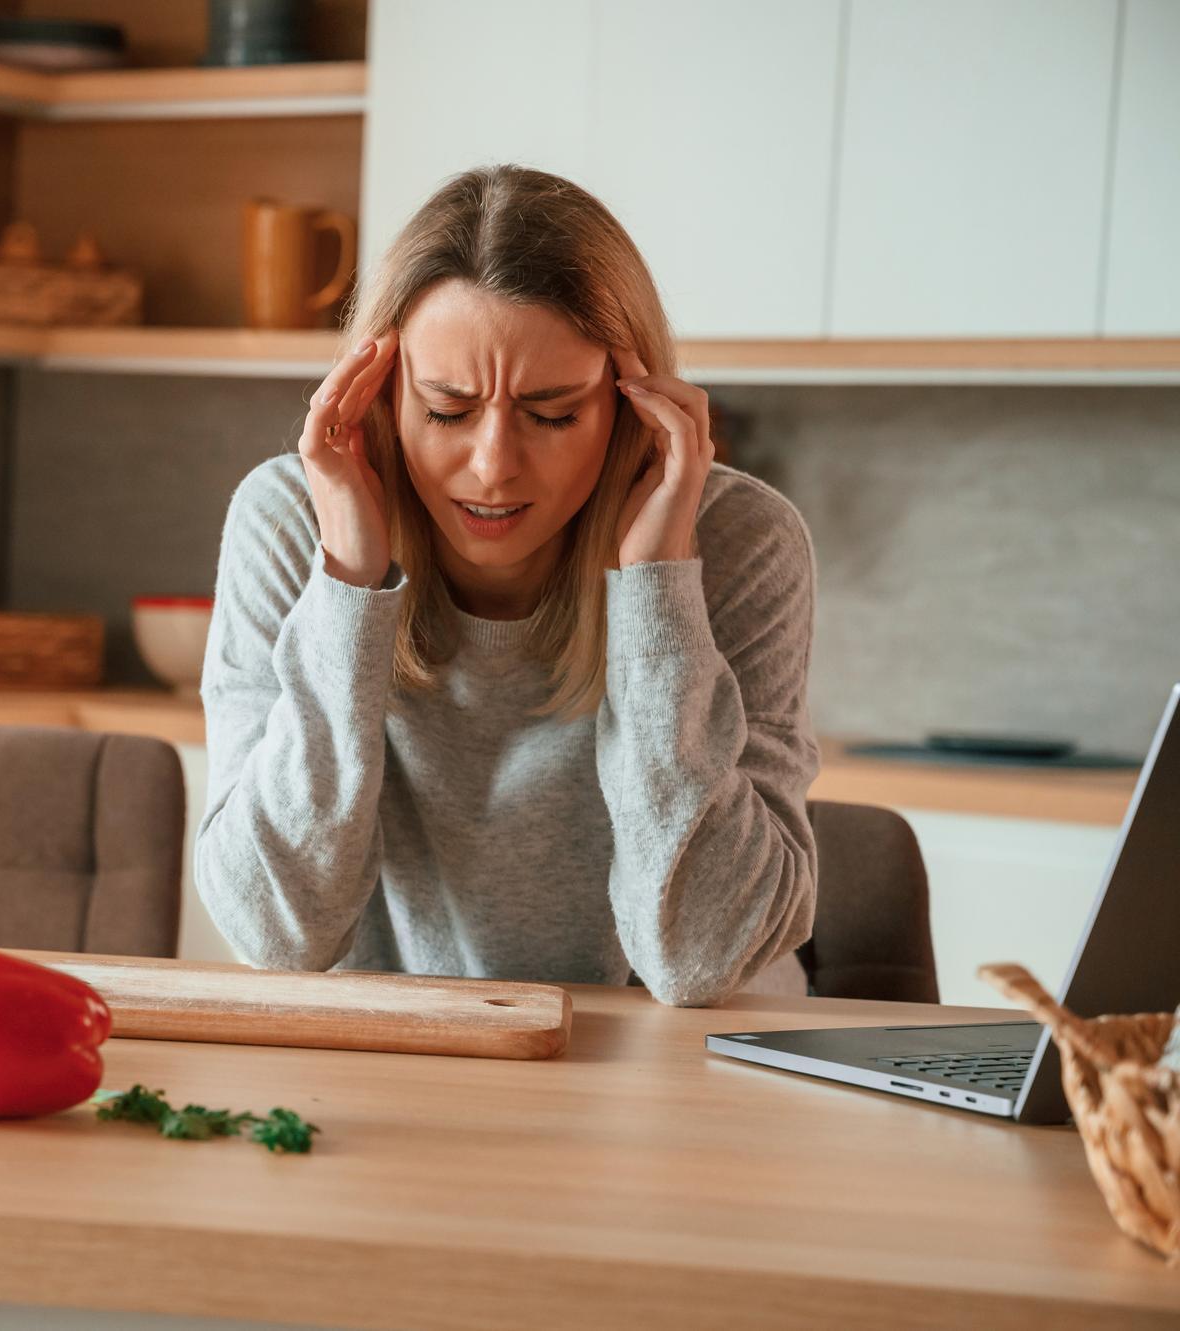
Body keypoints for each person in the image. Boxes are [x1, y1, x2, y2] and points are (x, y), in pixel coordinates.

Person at [195, 165, 818, 1007]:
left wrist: (659, 588)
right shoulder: (292, 523)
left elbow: (700, 958)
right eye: (447, 410)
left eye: (553, 413)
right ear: (381, 393)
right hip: (407, 1063)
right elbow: (277, 932)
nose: (492, 467)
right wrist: (346, 579)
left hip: (680, 1073)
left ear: (631, 405)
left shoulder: (741, 542)